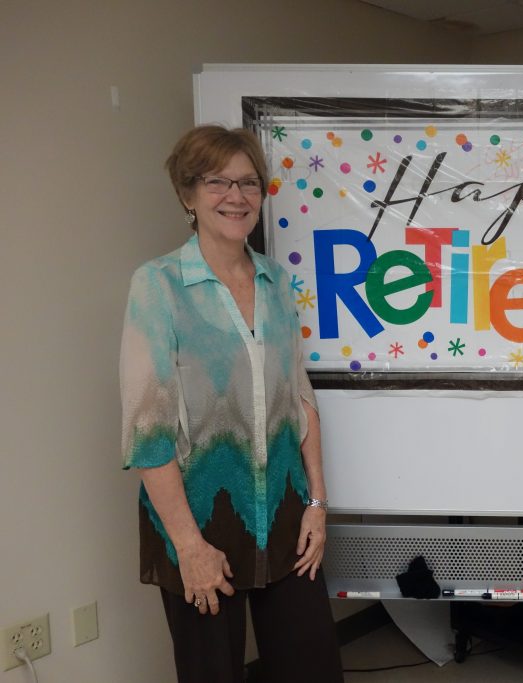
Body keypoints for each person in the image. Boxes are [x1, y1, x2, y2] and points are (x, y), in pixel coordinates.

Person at [120, 125, 344, 683]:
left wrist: (317, 501)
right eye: (217, 181)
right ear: (187, 194)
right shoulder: (159, 285)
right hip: (199, 516)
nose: (236, 196)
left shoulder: (275, 281)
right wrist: (189, 545)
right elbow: (147, 433)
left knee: (312, 667)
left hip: (287, 510)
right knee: (212, 673)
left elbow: (300, 399)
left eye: (249, 182)